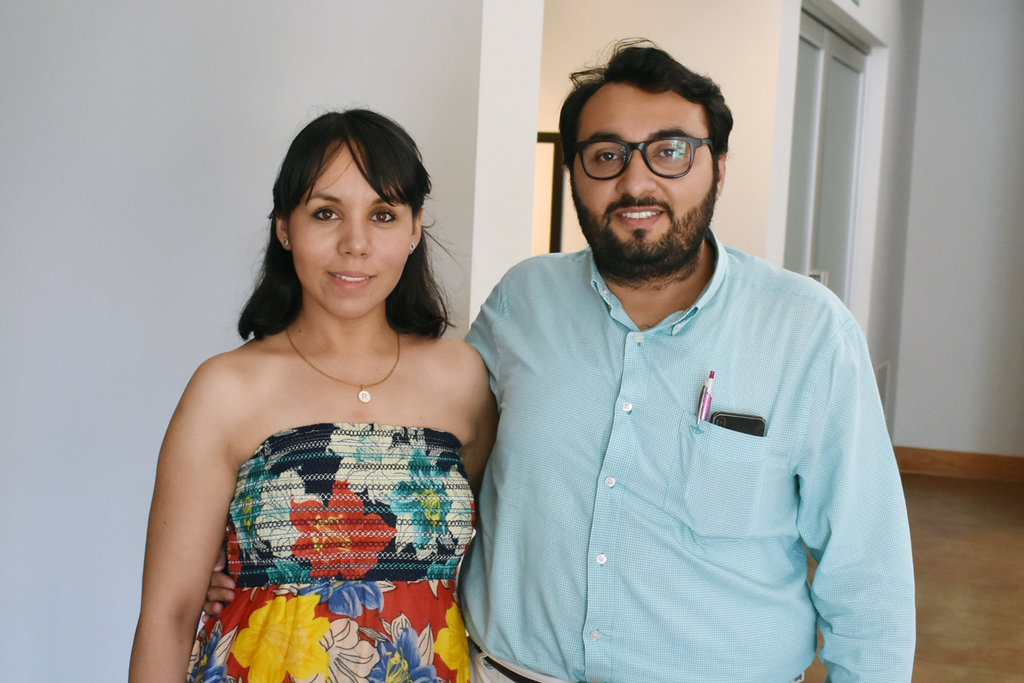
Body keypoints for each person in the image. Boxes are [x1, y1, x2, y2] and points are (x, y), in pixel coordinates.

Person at [205, 42, 916, 683]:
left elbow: (869, 575)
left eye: (670, 151)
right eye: (606, 155)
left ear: (719, 168)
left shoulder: (807, 331)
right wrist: (256, 534)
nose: (636, 182)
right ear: (574, 171)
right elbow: (419, 446)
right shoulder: (523, 302)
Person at [129, 109, 497, 683]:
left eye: (382, 215)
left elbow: (494, 553)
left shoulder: (463, 379)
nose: (355, 244)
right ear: (284, 227)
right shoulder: (226, 388)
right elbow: (168, 615)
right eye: (326, 213)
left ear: (415, 228)